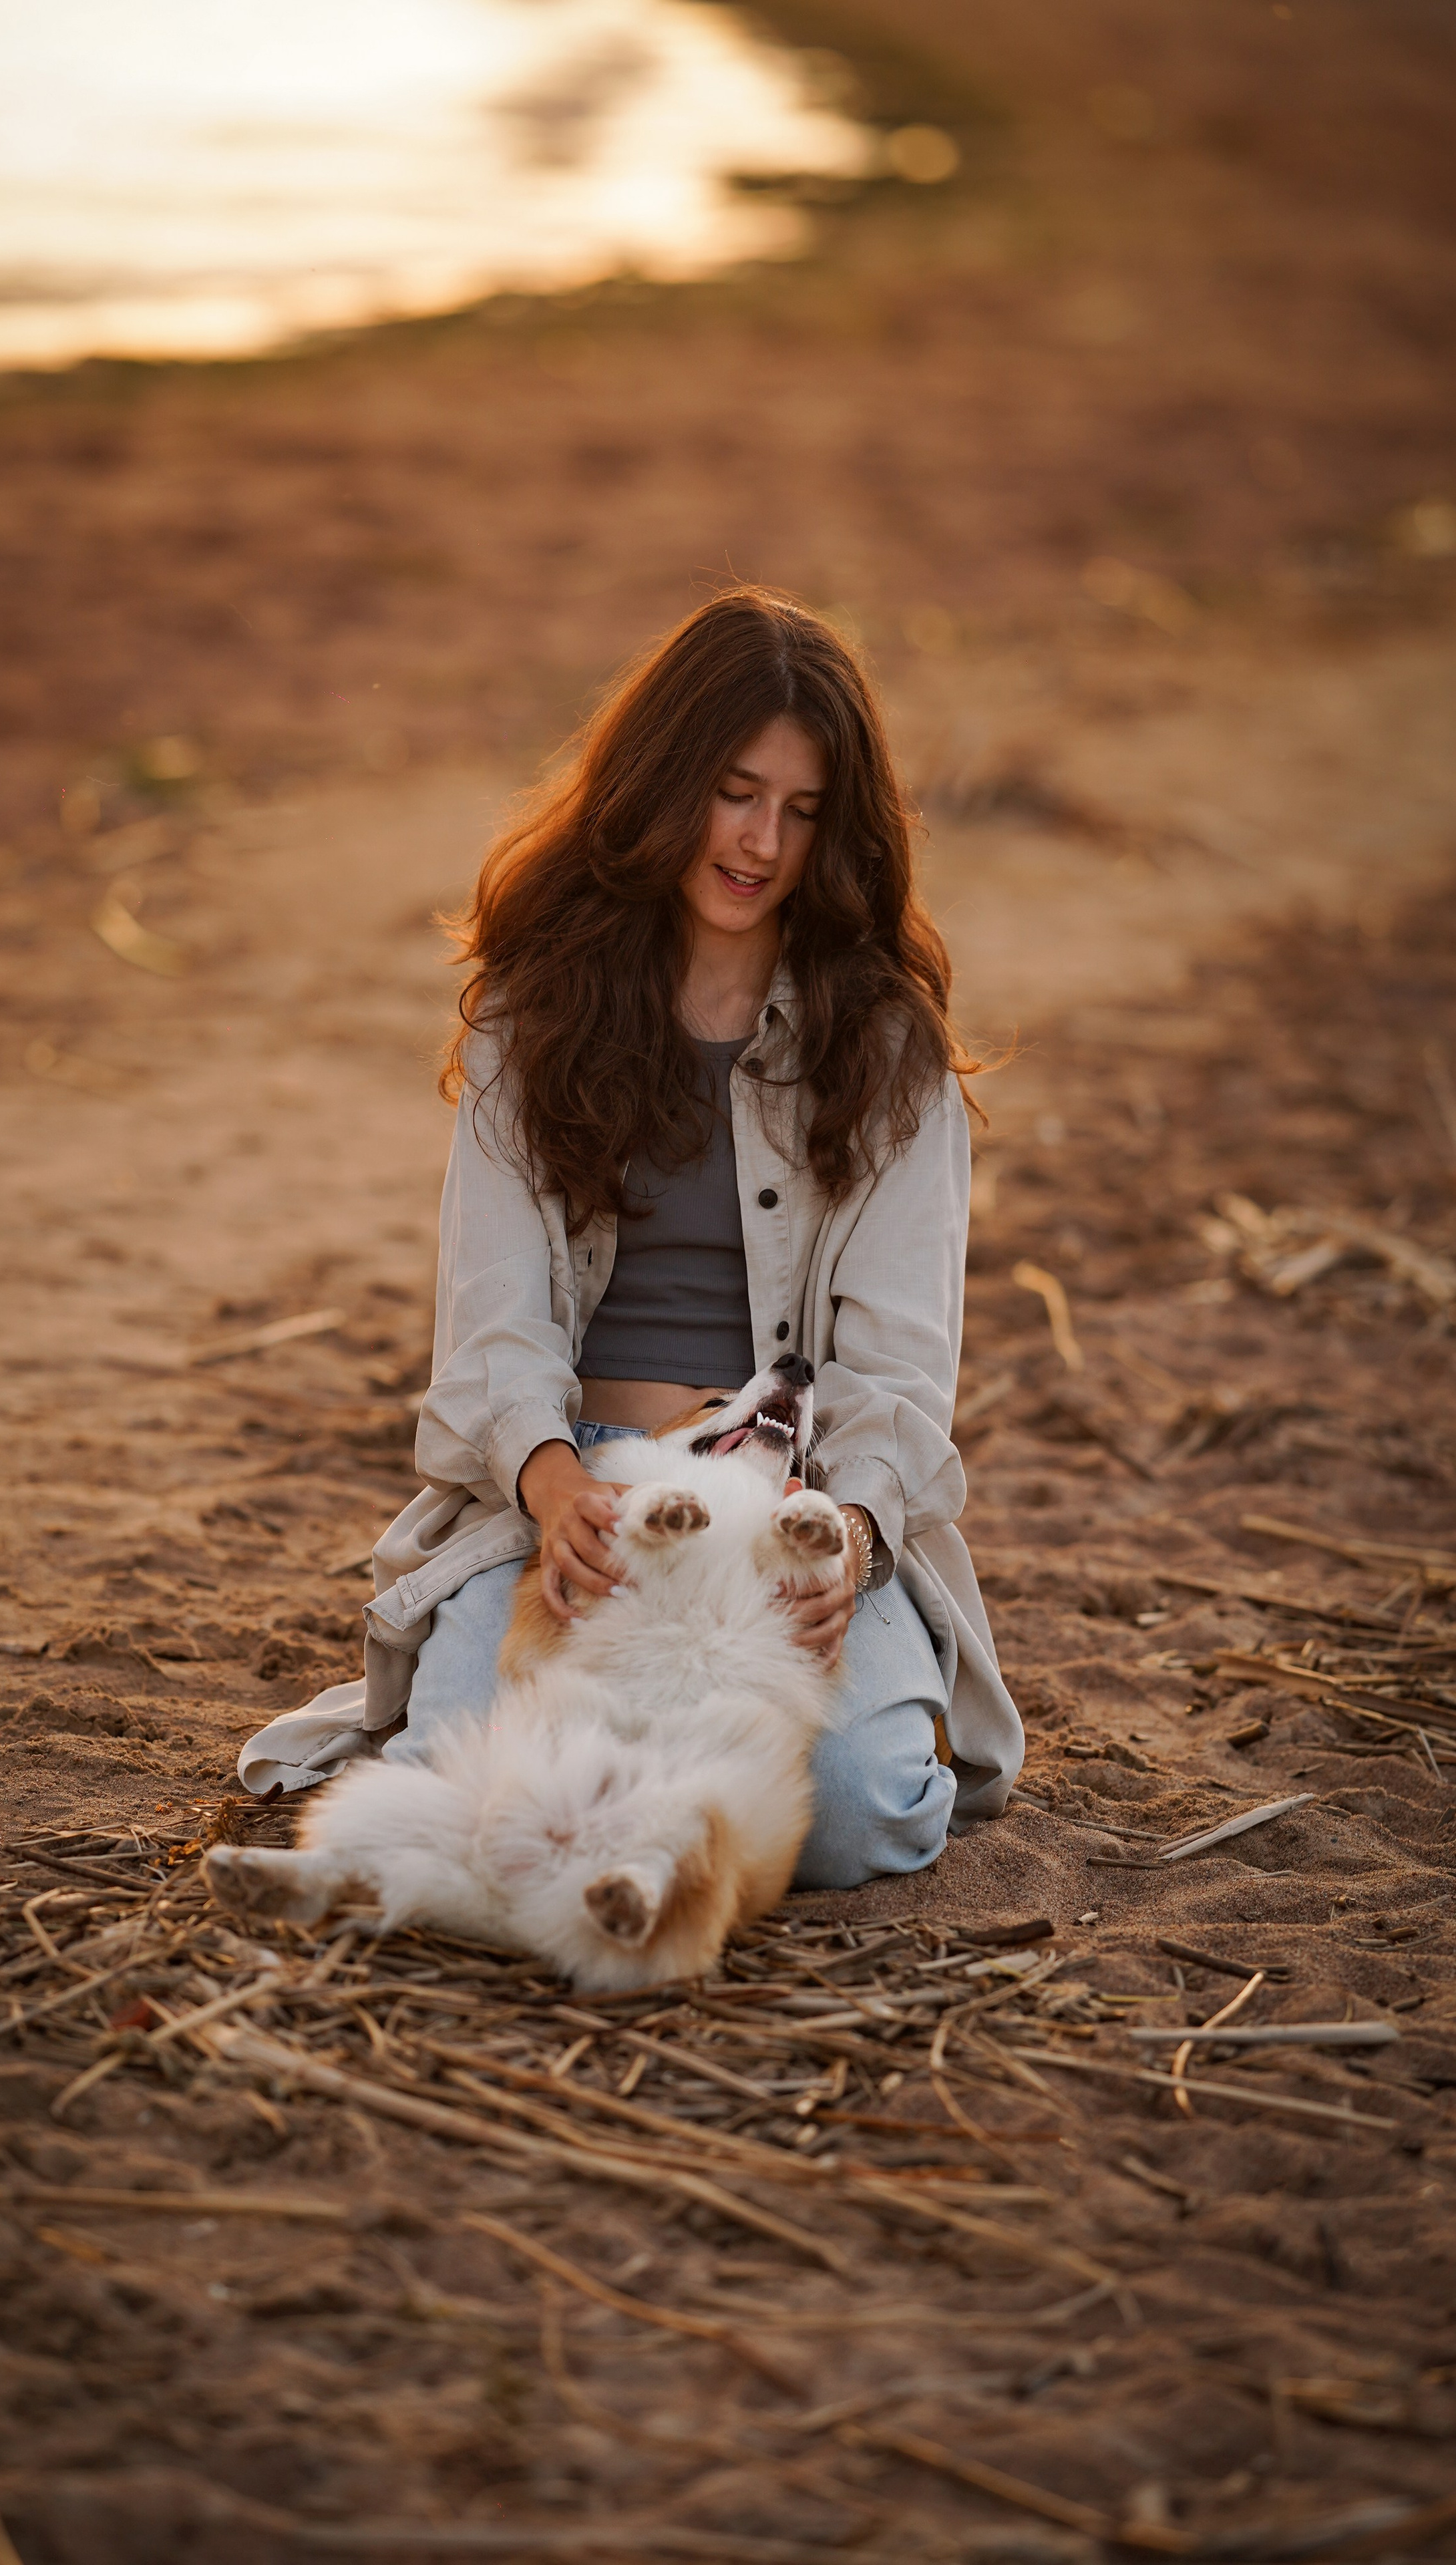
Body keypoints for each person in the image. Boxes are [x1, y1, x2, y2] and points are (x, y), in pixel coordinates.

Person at [236, 588, 1023, 1881]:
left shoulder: (889, 1048)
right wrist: (554, 1490)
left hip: (795, 1493)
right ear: (663, 783)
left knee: (861, 1814)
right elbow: (492, 1320)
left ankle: (853, 1727)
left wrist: (852, 1536)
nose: (761, 841)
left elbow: (898, 1371)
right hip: (576, 1484)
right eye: (733, 792)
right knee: (468, 1780)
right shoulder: (535, 1010)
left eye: (803, 809)